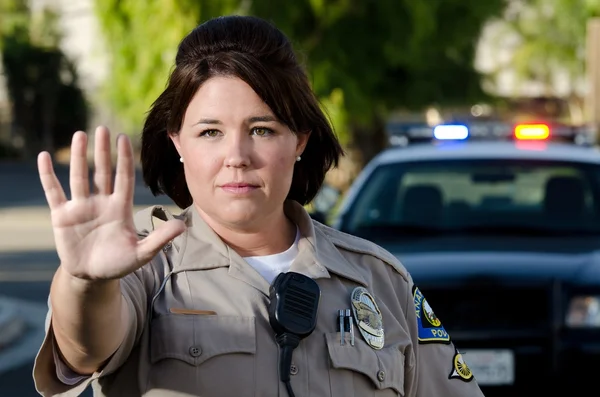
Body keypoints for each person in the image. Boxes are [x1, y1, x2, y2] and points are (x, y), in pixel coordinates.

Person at [32, 15, 485, 397]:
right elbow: (84, 349)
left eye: (262, 129)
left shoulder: (378, 279)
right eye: (210, 131)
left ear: (299, 141)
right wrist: (85, 282)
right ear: (177, 144)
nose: (237, 156)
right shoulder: (144, 266)